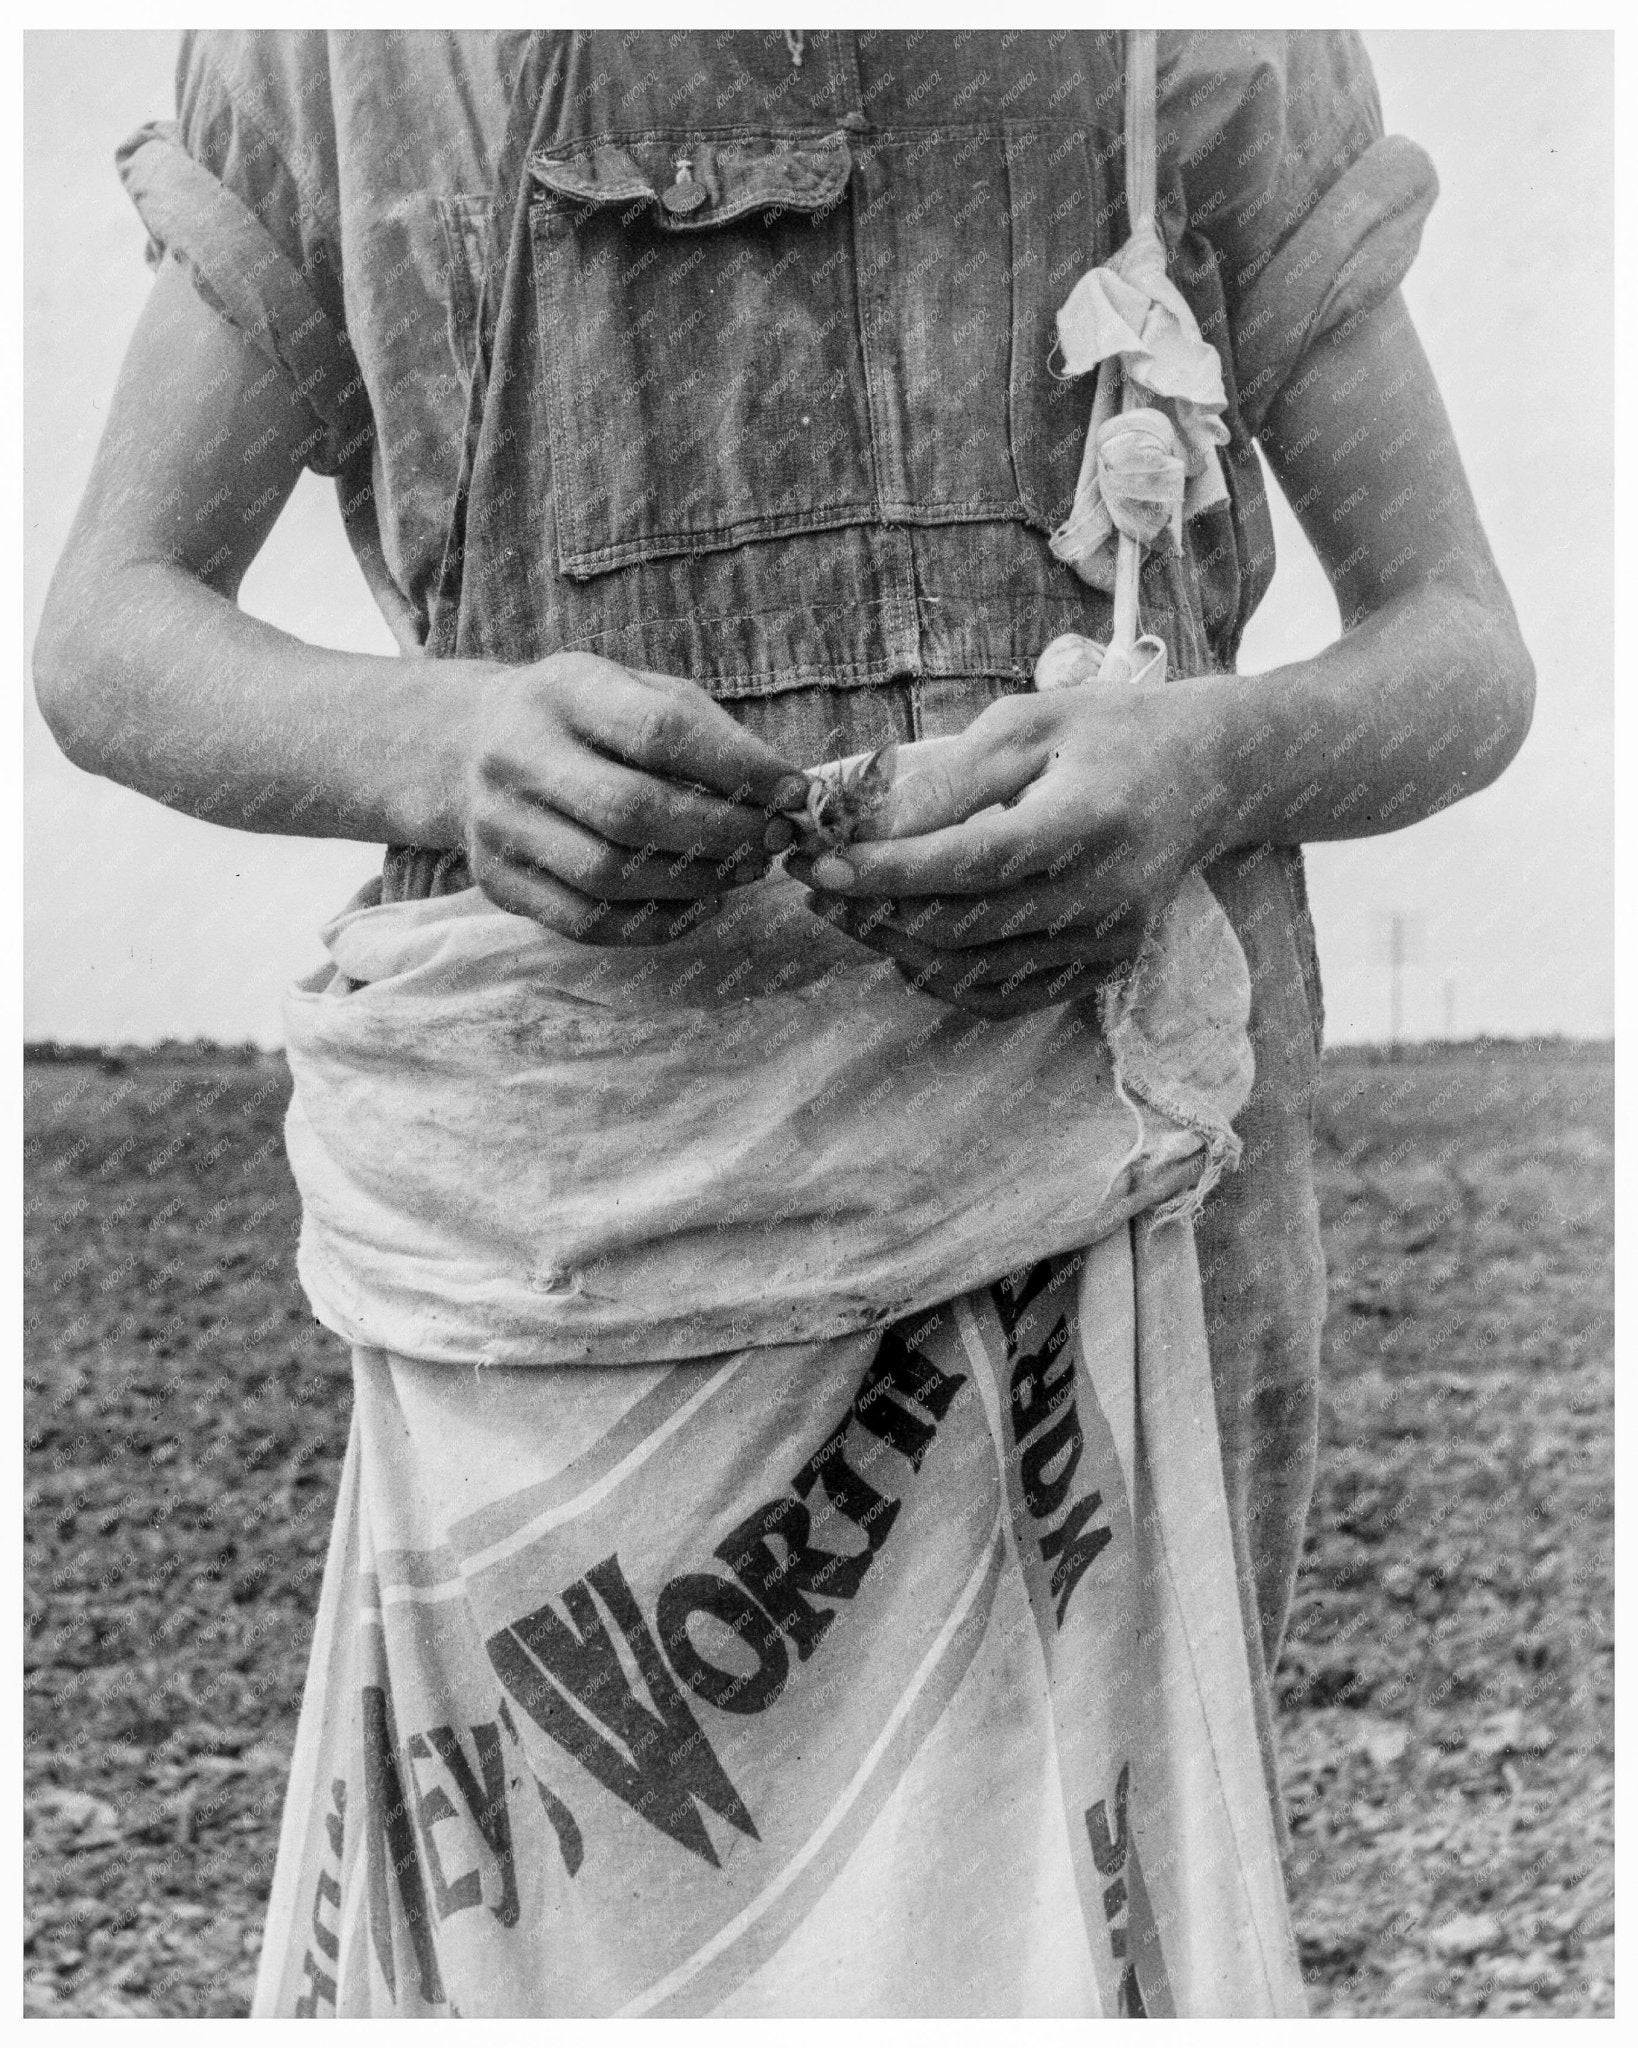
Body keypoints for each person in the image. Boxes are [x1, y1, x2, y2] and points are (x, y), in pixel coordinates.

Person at [35, 29, 1533, 2018]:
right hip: (581, 1258)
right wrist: (446, 739)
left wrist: (1199, 761)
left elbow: (1460, 647)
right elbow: (110, 626)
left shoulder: (1198, 53)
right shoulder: (356, 60)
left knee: (1074, 1956)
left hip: (1110, 1228)